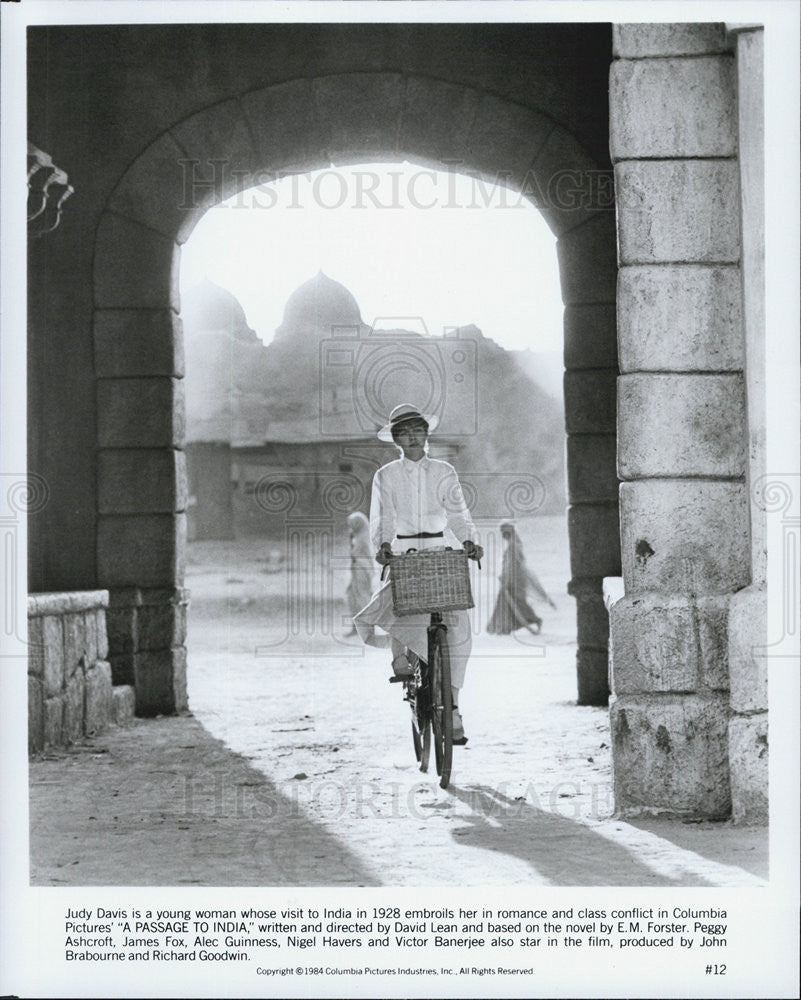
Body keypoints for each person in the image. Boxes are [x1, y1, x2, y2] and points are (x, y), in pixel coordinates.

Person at [353, 403, 483, 744]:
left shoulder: (443, 471)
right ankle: (403, 661)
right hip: (405, 551)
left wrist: (469, 540)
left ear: (427, 434)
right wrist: (383, 546)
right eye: (404, 433)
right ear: (396, 440)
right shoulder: (386, 475)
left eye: (417, 430)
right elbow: (383, 517)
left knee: (458, 629)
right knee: (402, 605)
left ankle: (453, 707)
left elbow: (457, 511)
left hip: (440, 551)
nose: (412, 438)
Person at [487, 521, 556, 635]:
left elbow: (512, 565)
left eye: (503, 532)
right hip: (514, 578)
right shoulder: (514, 544)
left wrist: (506, 578)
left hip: (515, 579)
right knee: (510, 601)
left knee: (517, 602)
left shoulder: (513, 546)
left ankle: (533, 620)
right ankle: (505, 626)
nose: (502, 535)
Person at [345, 511, 374, 636]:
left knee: (362, 597)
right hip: (356, 567)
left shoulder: (363, 538)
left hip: (362, 568)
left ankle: (367, 627)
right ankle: (356, 626)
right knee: (352, 596)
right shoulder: (357, 537)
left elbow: (357, 553)